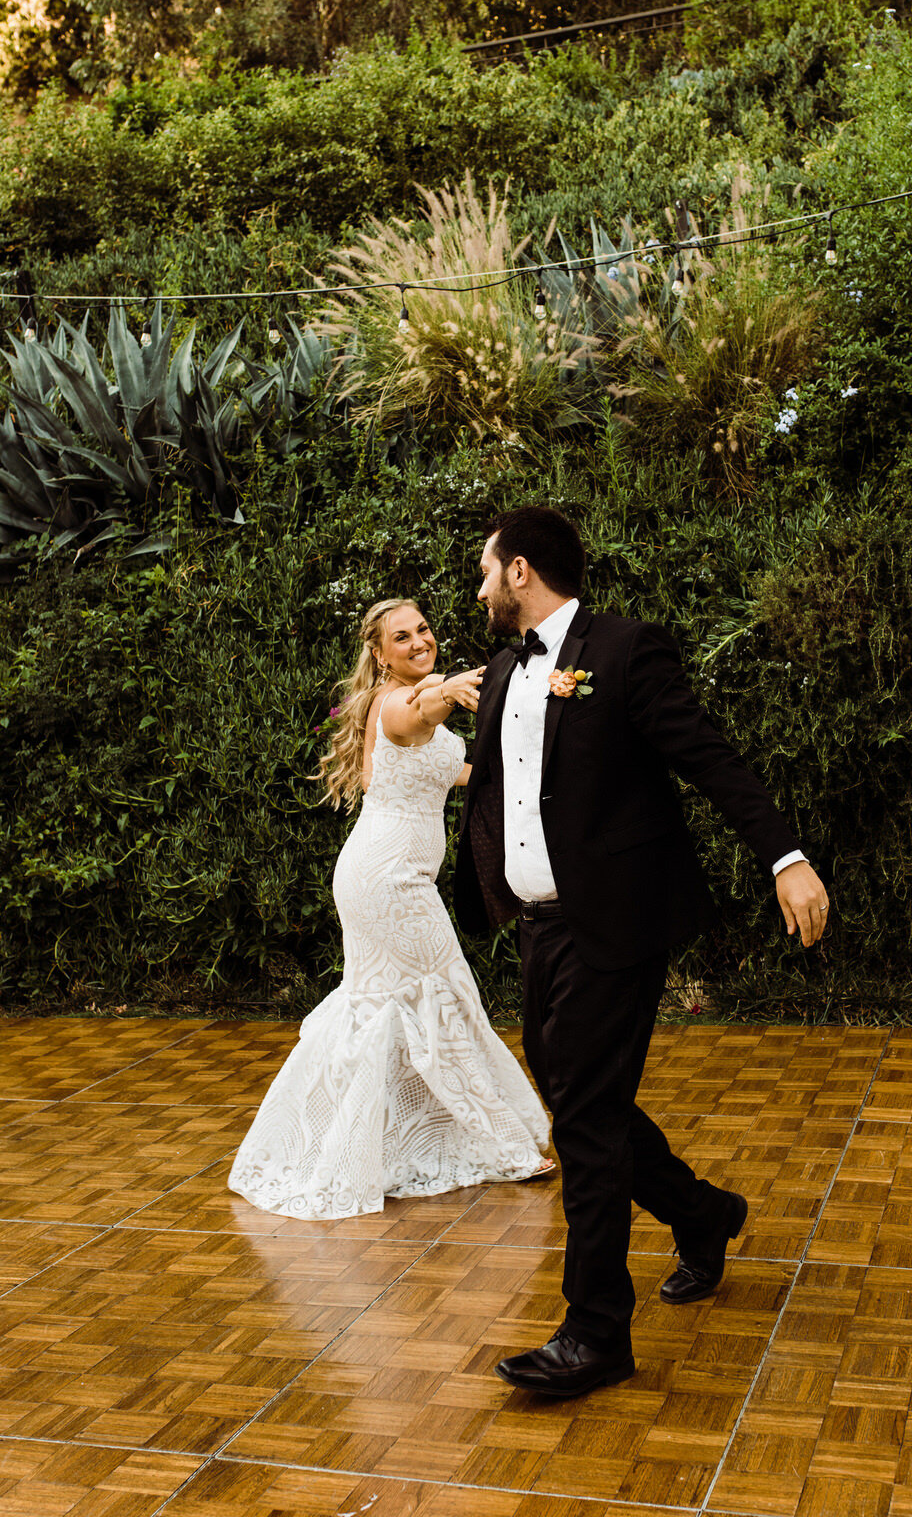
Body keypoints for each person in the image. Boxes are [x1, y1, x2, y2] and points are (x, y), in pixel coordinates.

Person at [451, 508, 829, 1397]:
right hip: (538, 926)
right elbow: (501, 787)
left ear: (520, 571)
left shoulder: (623, 650)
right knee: (590, 1107)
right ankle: (704, 1215)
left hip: (613, 924)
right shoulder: (505, 668)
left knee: (582, 1122)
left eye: (484, 571)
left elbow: (708, 757)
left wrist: (786, 856)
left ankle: (595, 1333)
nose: (477, 589)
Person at [228, 597, 550, 1221]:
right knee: (442, 991)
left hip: (387, 878)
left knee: (386, 1005)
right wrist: (449, 689)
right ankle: (505, 1146)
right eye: (401, 637)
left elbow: (462, 769)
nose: (417, 641)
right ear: (379, 655)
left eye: (423, 629)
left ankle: (360, 1143)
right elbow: (418, 712)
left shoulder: (418, 705)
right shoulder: (398, 705)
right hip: (388, 880)